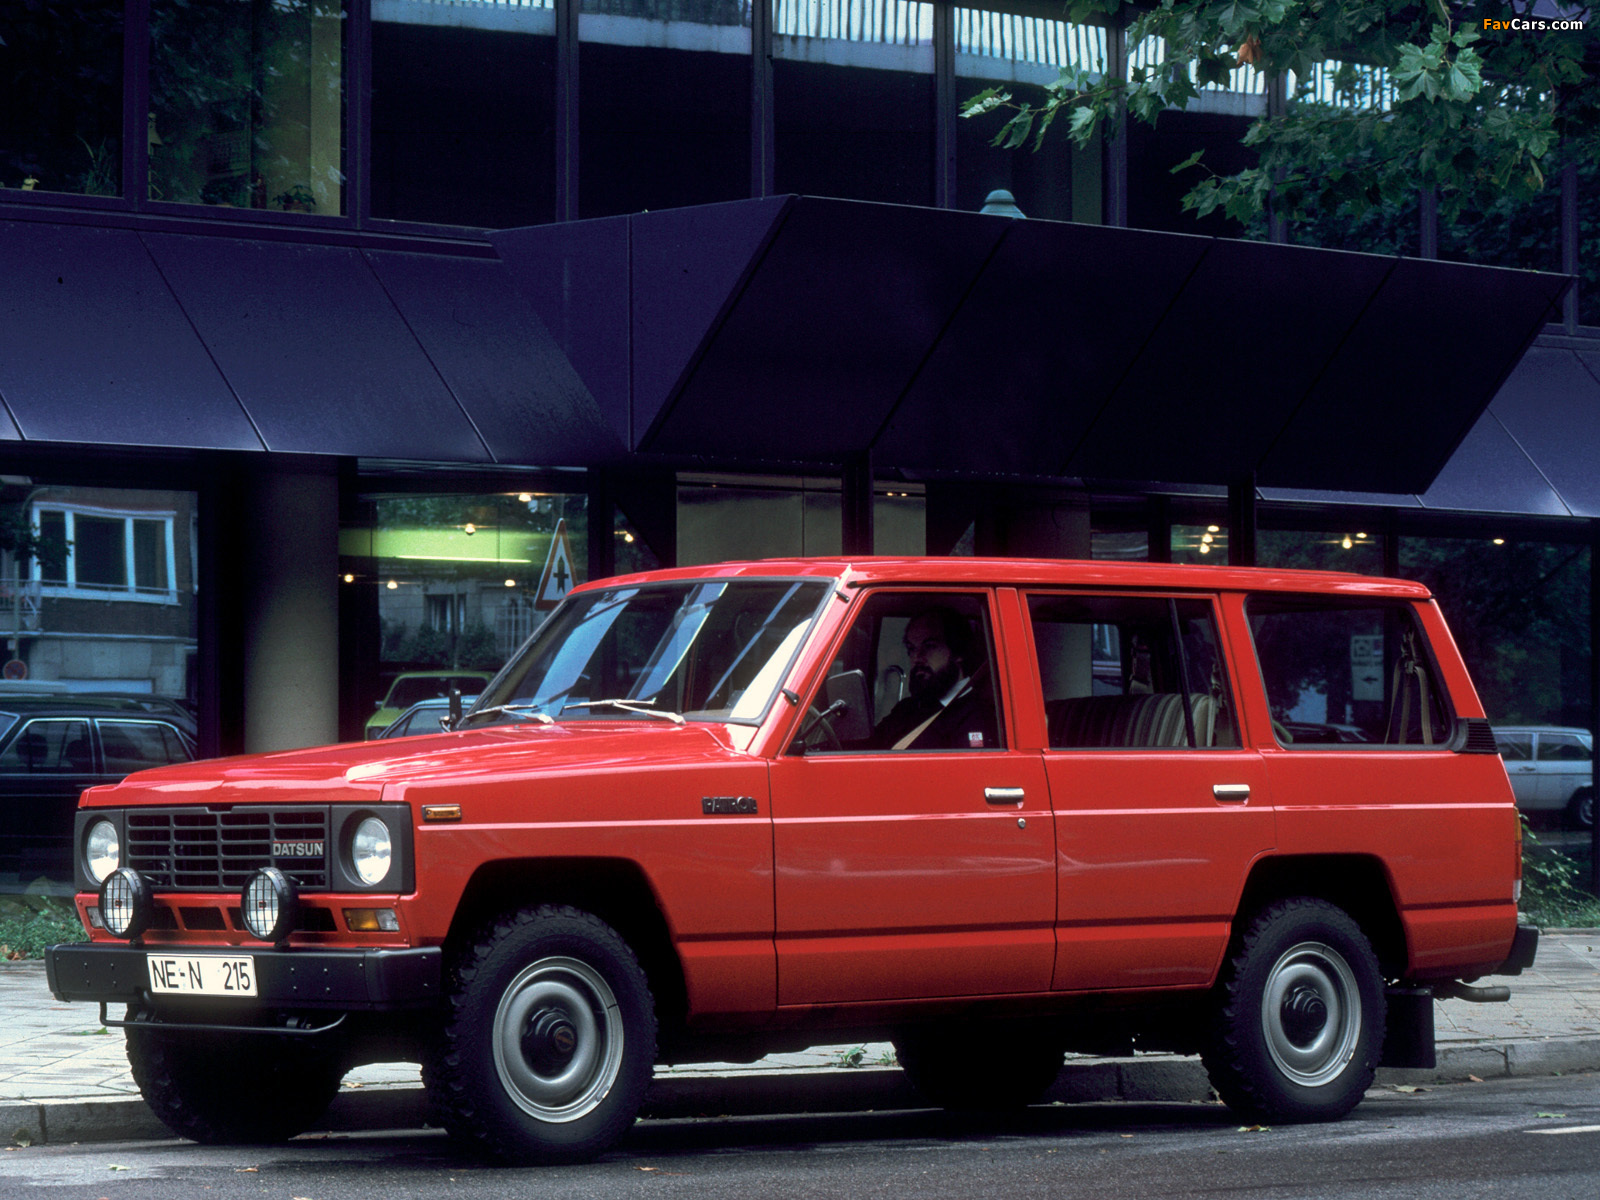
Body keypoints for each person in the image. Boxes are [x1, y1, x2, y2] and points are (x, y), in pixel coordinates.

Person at [871, 606, 998, 751]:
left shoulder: (979, 716)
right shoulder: (906, 709)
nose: (916, 658)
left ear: (958, 652)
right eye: (912, 648)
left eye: (929, 646)